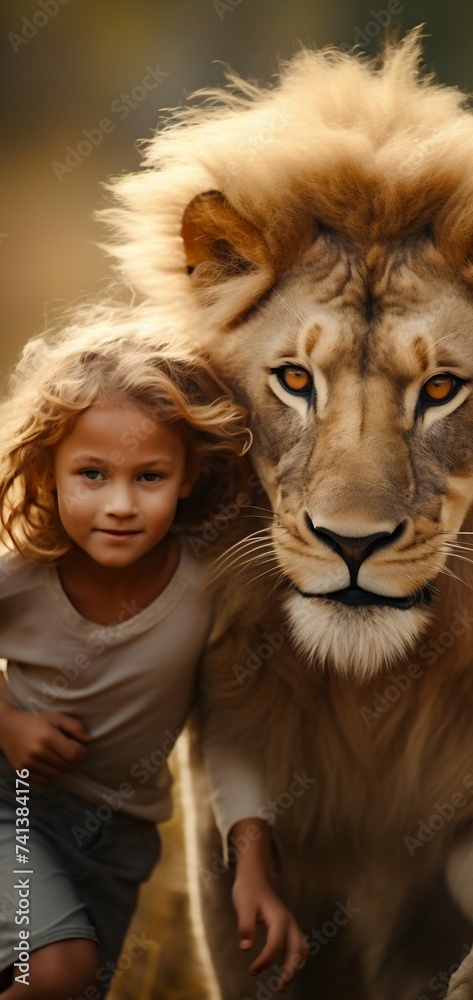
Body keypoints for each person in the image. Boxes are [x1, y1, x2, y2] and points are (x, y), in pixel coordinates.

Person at [0, 309, 307, 999]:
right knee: (57, 969)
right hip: (14, 804)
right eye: (91, 474)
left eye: (149, 477)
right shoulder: (22, 576)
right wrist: (8, 723)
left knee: (68, 985)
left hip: (122, 839)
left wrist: (251, 867)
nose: (118, 504)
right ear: (49, 472)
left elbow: (229, 734)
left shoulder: (205, 591)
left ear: (190, 477)